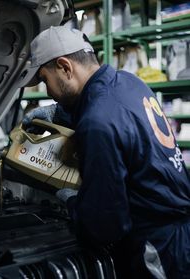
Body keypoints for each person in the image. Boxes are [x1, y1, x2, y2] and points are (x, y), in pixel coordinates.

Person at [22, 26, 190, 278]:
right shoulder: (130, 82)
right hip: (178, 231)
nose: (47, 92)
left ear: (65, 67)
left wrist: (71, 201)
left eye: (45, 80)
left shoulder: (97, 122)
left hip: (156, 248)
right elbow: (106, 106)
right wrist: (58, 114)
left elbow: (105, 225)